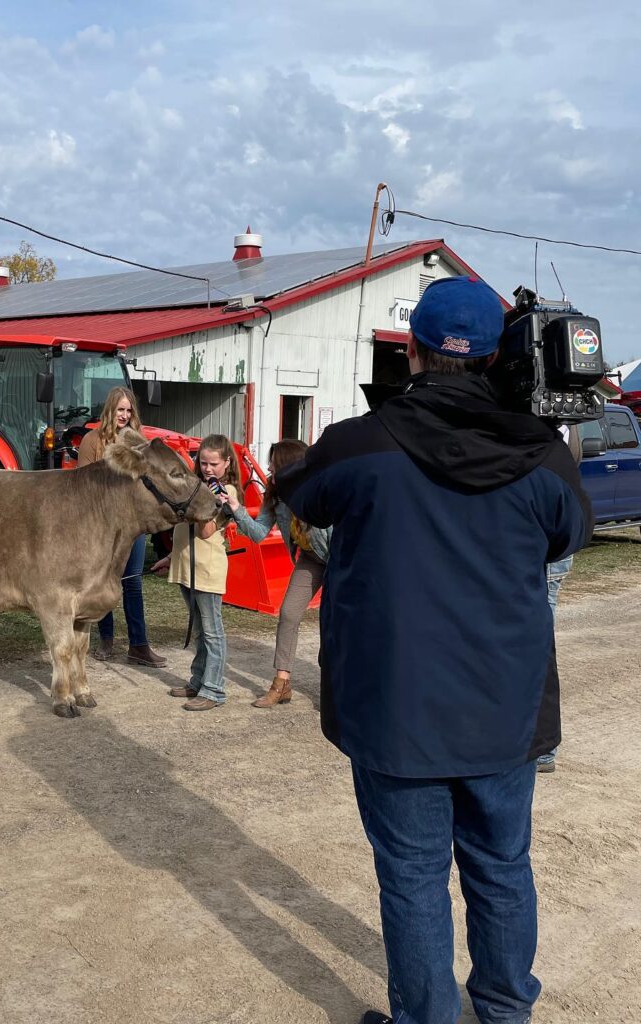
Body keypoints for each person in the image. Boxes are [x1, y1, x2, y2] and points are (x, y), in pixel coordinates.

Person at [276, 276, 592, 1024]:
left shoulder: (359, 445)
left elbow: (298, 494)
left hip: (395, 711)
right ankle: (505, 1011)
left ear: (411, 350)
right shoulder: (541, 454)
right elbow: (570, 535)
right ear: (494, 359)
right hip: (504, 713)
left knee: (414, 876)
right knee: (500, 866)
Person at [222, 439, 331, 707]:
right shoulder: (276, 498)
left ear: (288, 465)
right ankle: (281, 684)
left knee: (333, 621)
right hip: (310, 559)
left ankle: (334, 687)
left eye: (273, 462)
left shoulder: (320, 490)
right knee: (288, 614)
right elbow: (259, 532)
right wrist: (236, 509)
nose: (268, 467)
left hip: (340, 561)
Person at [77, 386, 167, 668]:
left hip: (133, 525)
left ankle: (139, 645)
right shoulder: (92, 441)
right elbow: (83, 485)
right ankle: (106, 639)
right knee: (104, 582)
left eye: (129, 410)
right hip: (104, 526)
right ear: (110, 411)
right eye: (120, 410)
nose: (125, 415)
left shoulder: (139, 442)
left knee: (133, 583)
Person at [151, 434, 240, 711]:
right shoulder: (195, 486)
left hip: (207, 571)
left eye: (214, 464)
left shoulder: (228, 493)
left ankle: (214, 690)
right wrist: (169, 556)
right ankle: (198, 680)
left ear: (227, 463)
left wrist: (208, 501)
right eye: (203, 463)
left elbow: (206, 532)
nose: (207, 469)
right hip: (187, 568)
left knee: (213, 633)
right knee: (201, 631)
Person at [537, 423, 582, 774]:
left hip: (545, 548)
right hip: (550, 540)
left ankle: (542, 748)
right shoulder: (566, 432)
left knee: (536, 647)